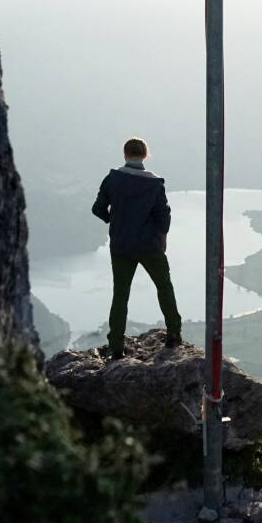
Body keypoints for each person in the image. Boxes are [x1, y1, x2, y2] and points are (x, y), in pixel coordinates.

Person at [91, 137, 182, 360]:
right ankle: (173, 335)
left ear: (125, 154)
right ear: (144, 156)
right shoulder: (154, 184)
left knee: (120, 294)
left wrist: (116, 220)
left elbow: (98, 208)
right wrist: (162, 236)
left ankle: (116, 347)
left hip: (121, 245)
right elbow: (163, 216)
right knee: (164, 287)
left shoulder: (112, 179)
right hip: (150, 246)